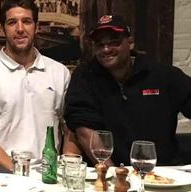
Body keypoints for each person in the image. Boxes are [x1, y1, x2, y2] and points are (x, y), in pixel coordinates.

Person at [65, 14, 191, 166]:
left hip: (162, 174)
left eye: (114, 43)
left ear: (130, 43)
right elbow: (84, 130)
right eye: (99, 44)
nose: (106, 49)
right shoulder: (84, 77)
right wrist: (111, 175)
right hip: (109, 174)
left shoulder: (163, 75)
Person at [0, 0, 75, 170]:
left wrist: (67, 167)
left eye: (26, 21)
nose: (20, 28)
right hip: (3, 174)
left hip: (49, 174)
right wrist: (18, 172)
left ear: (36, 27)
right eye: (12, 22)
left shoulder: (59, 72)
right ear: (3, 29)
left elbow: (70, 128)